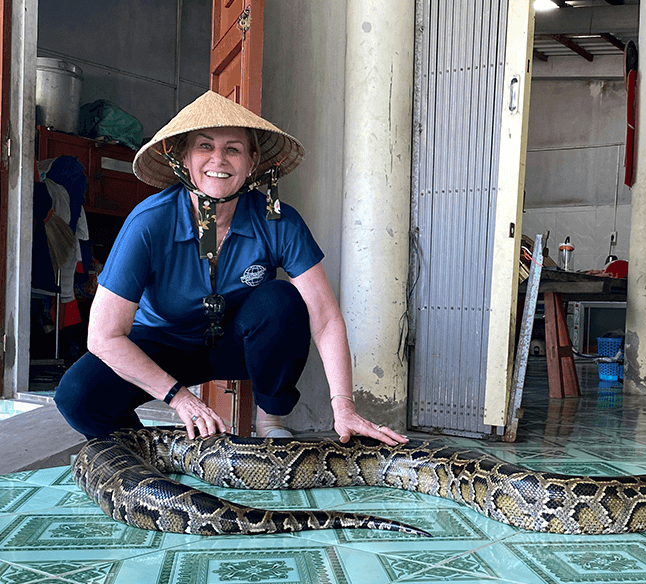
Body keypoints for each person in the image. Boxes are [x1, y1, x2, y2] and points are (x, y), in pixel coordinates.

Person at [55, 91, 407, 446]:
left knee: (281, 299)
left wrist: (343, 406)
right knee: (77, 395)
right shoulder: (149, 223)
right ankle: (150, 449)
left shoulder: (278, 221)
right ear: (184, 159)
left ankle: (270, 417)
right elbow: (102, 336)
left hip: (237, 343)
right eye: (204, 147)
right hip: (164, 342)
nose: (218, 160)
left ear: (252, 161)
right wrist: (181, 399)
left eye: (233, 149)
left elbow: (326, 318)